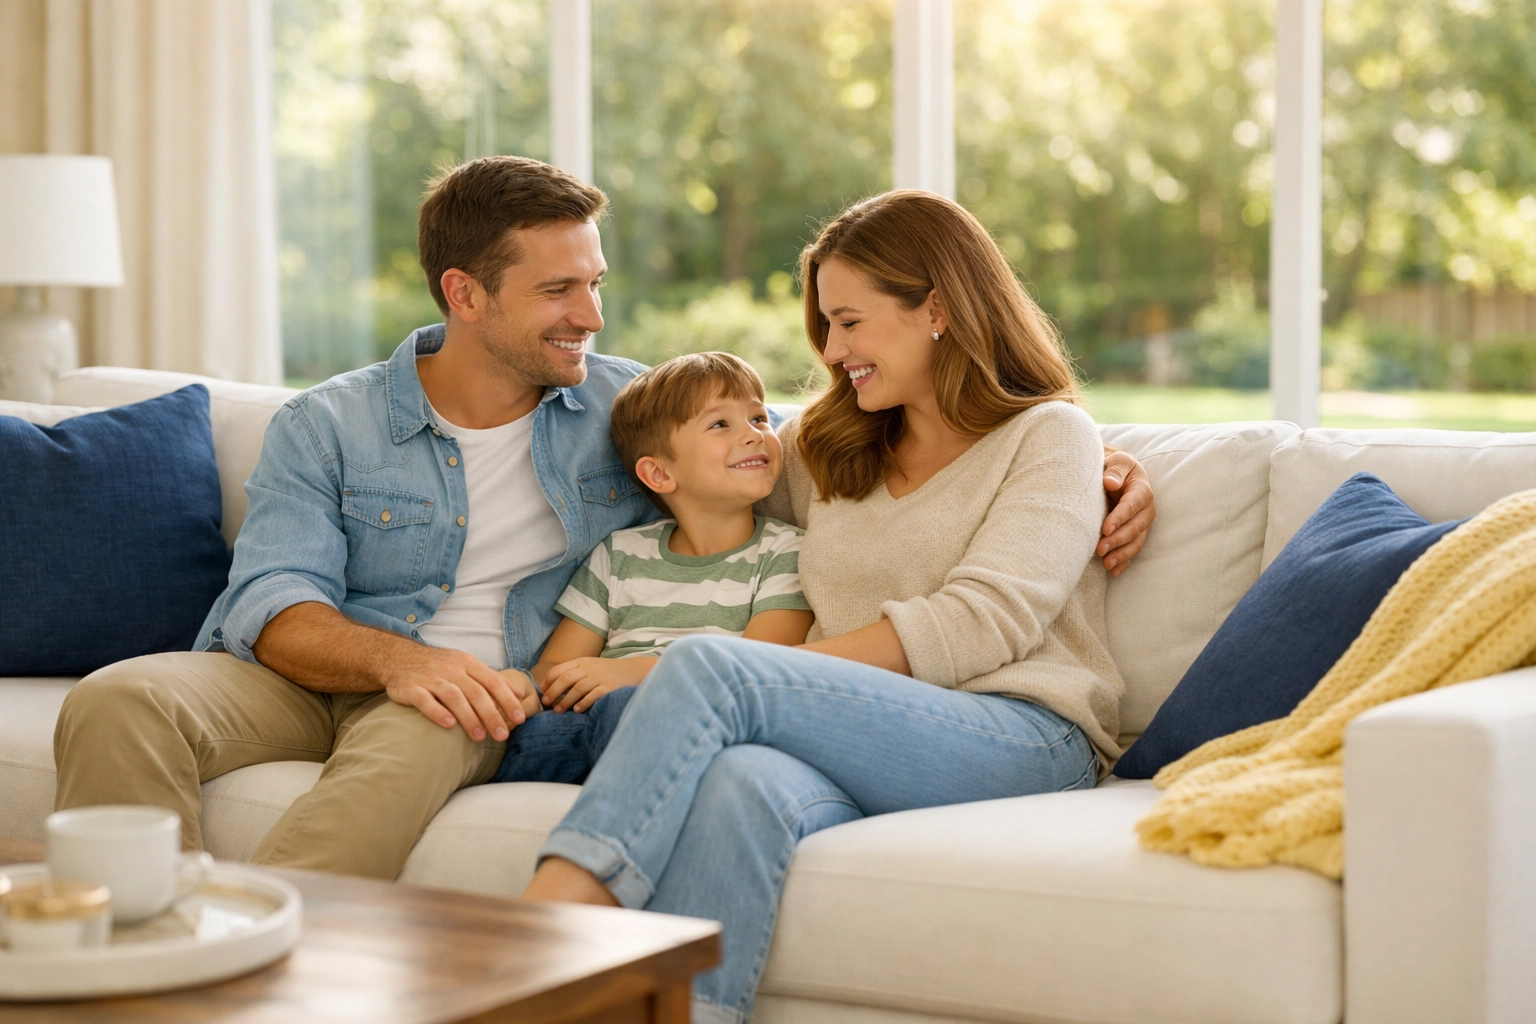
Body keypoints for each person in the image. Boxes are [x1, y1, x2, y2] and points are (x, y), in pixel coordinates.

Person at [53, 156, 1154, 881]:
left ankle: (283, 960)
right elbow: (274, 599)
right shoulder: (329, 422)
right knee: (120, 698)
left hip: (482, 694)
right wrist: (395, 660)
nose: (591, 313)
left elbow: (809, 443)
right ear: (464, 295)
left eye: (595, 282)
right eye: (558, 292)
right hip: (336, 668)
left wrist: (1089, 459)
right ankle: (120, 965)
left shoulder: (631, 408)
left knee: (574, 704)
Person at [521, 190, 1135, 1024]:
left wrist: (765, 676)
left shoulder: (1048, 439)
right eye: (826, 328)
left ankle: (539, 938)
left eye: (849, 322)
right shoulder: (825, 444)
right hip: (862, 736)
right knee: (741, 780)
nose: (833, 350)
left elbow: (984, 622)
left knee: (714, 669)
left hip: (1020, 732)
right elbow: (700, 451)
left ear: (939, 310)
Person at [494, 351, 814, 784]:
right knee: (533, 735)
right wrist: (516, 689)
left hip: (700, 716)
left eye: (759, 418)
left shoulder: (785, 551)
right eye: (721, 424)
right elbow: (555, 672)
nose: (755, 435)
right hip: (591, 722)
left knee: (625, 708)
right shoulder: (621, 553)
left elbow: (755, 667)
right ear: (659, 475)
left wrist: (630, 673)